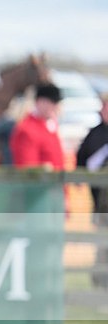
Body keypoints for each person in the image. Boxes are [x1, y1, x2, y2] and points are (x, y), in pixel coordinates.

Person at [76, 93, 108, 287]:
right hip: (101, 202)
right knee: (102, 246)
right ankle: (101, 288)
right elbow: (82, 161)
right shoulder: (94, 134)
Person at [9, 83, 65, 171]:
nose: (55, 107)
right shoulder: (27, 130)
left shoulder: (50, 125)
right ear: (40, 102)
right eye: (52, 103)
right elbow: (28, 169)